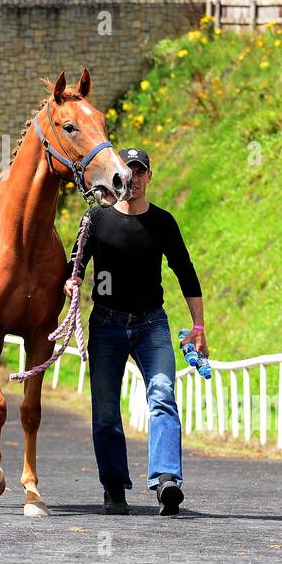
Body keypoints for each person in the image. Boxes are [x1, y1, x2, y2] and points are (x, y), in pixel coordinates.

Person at [64, 147, 206, 516]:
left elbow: (185, 272)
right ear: (119, 176)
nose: (135, 178)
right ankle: (114, 487)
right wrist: (71, 282)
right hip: (107, 325)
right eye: (129, 171)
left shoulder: (162, 223)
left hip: (150, 323)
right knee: (107, 410)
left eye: (141, 172)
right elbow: (74, 267)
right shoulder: (96, 219)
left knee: (162, 394)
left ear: (149, 177)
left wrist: (199, 326)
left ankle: (166, 481)